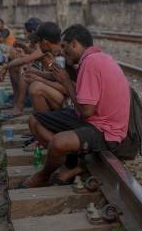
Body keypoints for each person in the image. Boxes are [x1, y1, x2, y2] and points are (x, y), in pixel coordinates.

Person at [20, 24, 130, 188]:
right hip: (94, 119)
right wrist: (41, 73)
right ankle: (74, 161)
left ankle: (44, 175)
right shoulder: (95, 58)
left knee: (58, 142)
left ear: (74, 44)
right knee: (34, 120)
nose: (63, 52)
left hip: (106, 130)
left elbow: (86, 111)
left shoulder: (91, 63)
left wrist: (66, 81)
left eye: (65, 47)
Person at [0, 18, 43, 117]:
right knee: (15, 66)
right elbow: (31, 55)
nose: (25, 36)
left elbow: (32, 58)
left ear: (33, 33)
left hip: (45, 78)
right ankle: (17, 99)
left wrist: (22, 56)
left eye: (26, 33)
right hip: (38, 76)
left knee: (24, 67)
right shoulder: (32, 43)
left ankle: (19, 105)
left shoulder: (43, 44)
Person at [22, 22, 70, 113]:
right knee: (34, 82)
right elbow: (54, 75)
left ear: (45, 43)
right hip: (63, 96)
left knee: (36, 87)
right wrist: (35, 72)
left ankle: (45, 121)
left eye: (39, 42)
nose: (38, 46)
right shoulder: (54, 54)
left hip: (71, 102)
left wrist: (38, 78)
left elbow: (66, 88)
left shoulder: (62, 56)